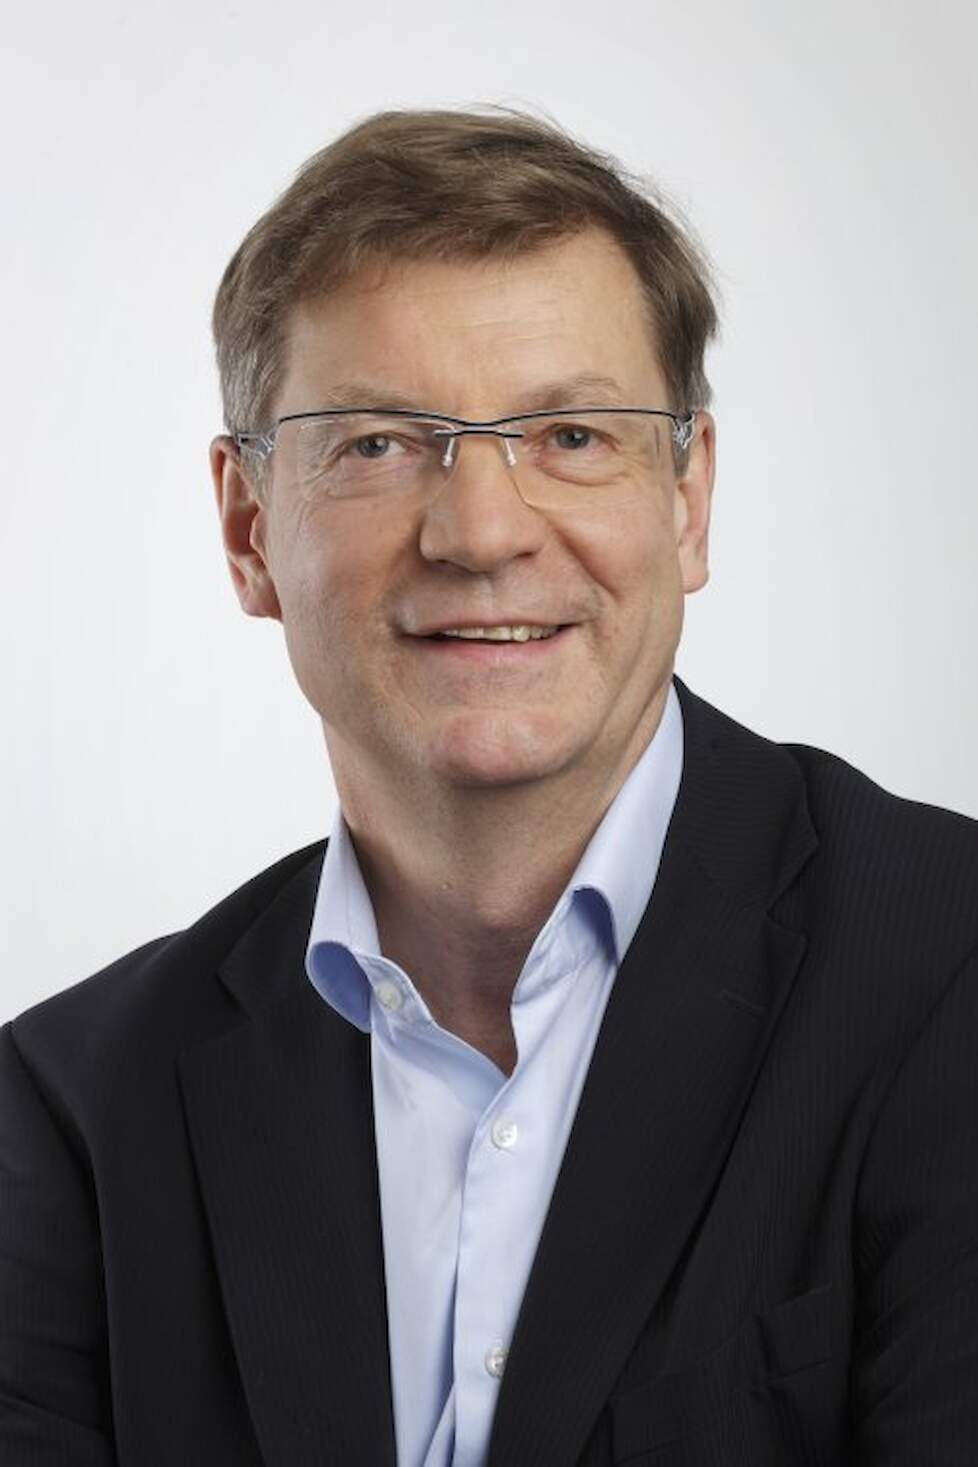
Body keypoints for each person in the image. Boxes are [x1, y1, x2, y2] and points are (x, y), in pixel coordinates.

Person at [2, 105, 977, 1467]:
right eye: (377, 444)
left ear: (687, 500)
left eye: (570, 434)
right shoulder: (70, 1114)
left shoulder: (946, 967)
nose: (480, 532)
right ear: (248, 529)